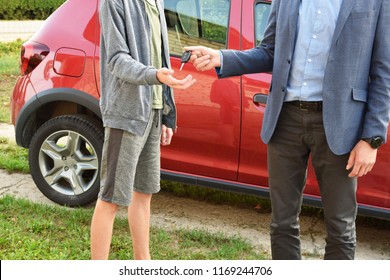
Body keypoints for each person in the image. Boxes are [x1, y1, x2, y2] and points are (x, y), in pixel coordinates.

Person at [185, 0, 390, 260]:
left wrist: (371, 139)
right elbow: (270, 51)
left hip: (341, 125)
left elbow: (384, 70)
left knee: (341, 228)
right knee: (282, 223)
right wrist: (222, 57)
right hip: (286, 119)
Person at [90, 0, 195, 260]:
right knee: (111, 198)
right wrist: (154, 75)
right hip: (126, 114)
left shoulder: (156, 2)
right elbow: (116, 59)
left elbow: (160, 57)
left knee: (144, 192)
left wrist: (167, 113)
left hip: (154, 110)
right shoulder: (114, 3)